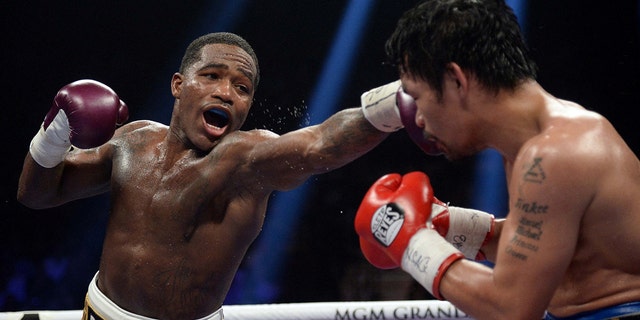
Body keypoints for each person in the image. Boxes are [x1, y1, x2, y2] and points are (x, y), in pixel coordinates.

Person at [17, 32, 421, 320]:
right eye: (211, 76)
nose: (227, 92)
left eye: (241, 87)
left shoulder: (244, 162)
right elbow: (37, 194)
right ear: (178, 85)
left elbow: (320, 143)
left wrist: (401, 102)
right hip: (97, 311)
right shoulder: (133, 141)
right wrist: (54, 134)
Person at [354, 1, 640, 319]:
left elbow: (510, 309)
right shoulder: (536, 143)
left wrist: (410, 242)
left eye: (417, 97)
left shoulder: (555, 155)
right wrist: (451, 226)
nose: (418, 119)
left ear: (456, 80)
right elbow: (545, 241)